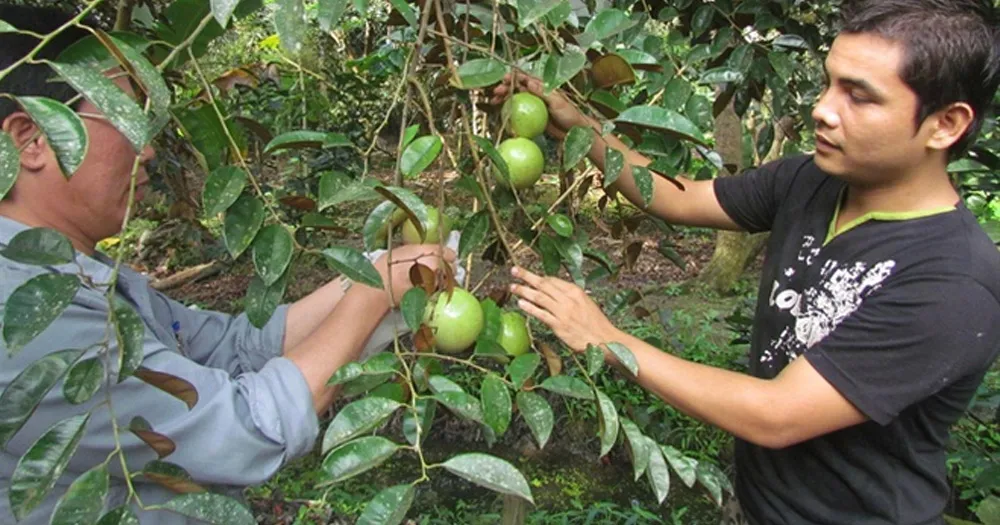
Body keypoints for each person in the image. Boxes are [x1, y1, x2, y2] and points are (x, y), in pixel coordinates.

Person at [495, 1, 1000, 523]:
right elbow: (678, 197)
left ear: (946, 124)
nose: (823, 110)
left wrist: (606, 338)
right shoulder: (811, 181)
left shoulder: (951, 284)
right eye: (829, 84)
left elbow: (775, 415)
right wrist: (577, 125)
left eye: (859, 96)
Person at [0, 5, 456, 524]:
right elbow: (243, 428)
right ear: (32, 141)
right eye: (125, 121)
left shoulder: (71, 275)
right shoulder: (26, 313)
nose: (148, 151)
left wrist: (376, 272)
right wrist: (373, 293)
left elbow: (227, 347)